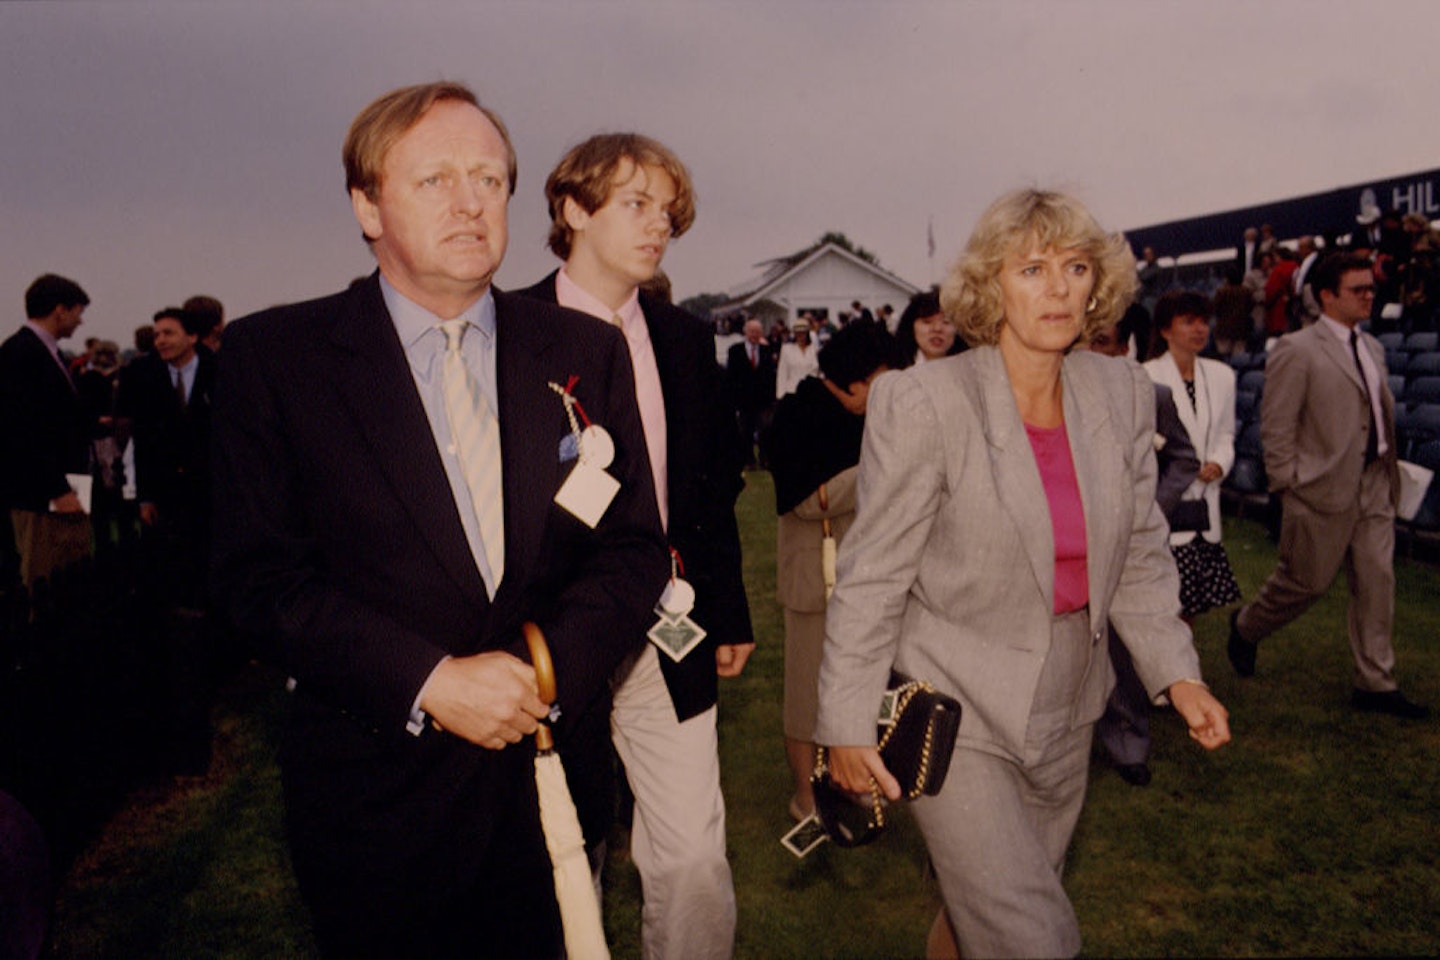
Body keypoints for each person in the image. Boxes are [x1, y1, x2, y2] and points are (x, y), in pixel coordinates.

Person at [210, 81, 669, 959]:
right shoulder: (280, 360)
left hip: (547, 785)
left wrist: (546, 672)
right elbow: (255, 579)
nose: (469, 203)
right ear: (366, 204)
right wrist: (430, 680)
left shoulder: (580, 351)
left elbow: (634, 546)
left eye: (488, 179)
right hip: (376, 798)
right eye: (435, 181)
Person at [817, 189, 1230, 958]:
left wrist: (1178, 674)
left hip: (1073, 701)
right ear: (990, 286)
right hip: (956, 708)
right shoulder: (925, 401)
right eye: (1033, 268)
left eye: (1076, 268)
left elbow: (1139, 549)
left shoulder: (1123, 393)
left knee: (989, 911)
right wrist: (843, 722)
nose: (1060, 287)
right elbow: (872, 576)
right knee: (1033, 937)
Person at [517, 131, 753, 960]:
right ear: (572, 209)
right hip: (547, 643)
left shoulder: (683, 341)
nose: (660, 227)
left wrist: (726, 610)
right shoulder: (509, 334)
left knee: (692, 857)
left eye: (669, 212)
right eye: (636, 204)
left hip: (667, 627)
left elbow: (709, 488)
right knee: (564, 854)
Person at [1228, 253, 1428, 719]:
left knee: (1377, 581)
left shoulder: (1372, 347)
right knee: (1306, 583)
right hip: (1319, 488)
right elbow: (1276, 427)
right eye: (1357, 289)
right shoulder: (1297, 350)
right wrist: (1285, 489)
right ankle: (1247, 626)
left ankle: (1376, 682)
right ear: (1326, 297)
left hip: (1375, 482)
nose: (1368, 295)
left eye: (1370, 288)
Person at [765, 320, 896, 821]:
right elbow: (802, 499)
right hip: (813, 578)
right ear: (849, 379)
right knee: (806, 695)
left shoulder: (877, 417)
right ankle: (806, 797)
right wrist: (881, 469)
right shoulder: (798, 413)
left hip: (871, 574)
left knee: (869, 688)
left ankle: (861, 784)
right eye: (879, 383)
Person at [1086, 312, 1201, 787]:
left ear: (1122, 348)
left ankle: (1128, 742)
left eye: (1101, 343)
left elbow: (1183, 458)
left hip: (1124, 550)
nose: (1089, 354)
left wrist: (1149, 507)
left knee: (1121, 652)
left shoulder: (1150, 398)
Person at [1144, 290, 1242, 621]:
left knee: (1190, 608)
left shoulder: (1222, 376)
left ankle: (1181, 669)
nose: (1199, 329)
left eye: (1203, 322)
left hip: (1205, 506)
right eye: (1188, 322)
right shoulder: (1145, 376)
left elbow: (1226, 433)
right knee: (1161, 604)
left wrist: (1220, 462)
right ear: (1165, 330)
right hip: (1164, 504)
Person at [0, 274, 93, 590]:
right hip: (44, 495)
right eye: (78, 312)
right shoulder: (21, 353)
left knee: (70, 575)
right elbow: (21, 431)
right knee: (46, 580)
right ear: (60, 310)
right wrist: (57, 489)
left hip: (65, 487)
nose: (80, 321)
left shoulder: (48, 353)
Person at [726, 318, 776, 467]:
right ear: (745, 332)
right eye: (752, 331)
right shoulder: (735, 351)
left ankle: (764, 459)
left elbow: (771, 376)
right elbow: (731, 376)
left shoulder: (767, 351)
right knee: (745, 432)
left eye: (757, 332)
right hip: (743, 399)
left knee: (765, 431)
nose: (754, 334)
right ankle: (748, 460)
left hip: (763, 399)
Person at [894, 288, 962, 366]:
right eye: (927, 322)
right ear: (911, 327)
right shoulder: (894, 372)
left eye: (946, 322)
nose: (937, 328)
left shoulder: (970, 370)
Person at [775, 315, 820, 397]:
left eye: (803, 332)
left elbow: (819, 373)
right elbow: (782, 374)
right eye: (798, 333)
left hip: (812, 393)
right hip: (792, 393)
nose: (800, 335)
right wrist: (780, 396)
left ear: (807, 333)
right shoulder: (786, 349)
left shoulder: (815, 349)